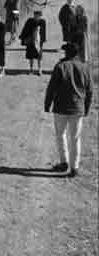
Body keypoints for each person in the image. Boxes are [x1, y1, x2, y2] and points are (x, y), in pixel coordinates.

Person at [44, 42, 93, 177]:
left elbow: (51, 88)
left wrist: (47, 104)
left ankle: (64, 162)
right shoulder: (85, 68)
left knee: (61, 135)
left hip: (61, 107)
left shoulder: (60, 66)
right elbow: (90, 91)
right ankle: (74, 167)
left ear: (67, 53)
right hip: (78, 108)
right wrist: (86, 108)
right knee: (75, 138)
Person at [19, 10, 46, 75]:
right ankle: (31, 69)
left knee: (39, 56)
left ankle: (39, 69)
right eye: (35, 15)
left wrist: (43, 40)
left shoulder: (42, 22)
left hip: (39, 41)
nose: (36, 17)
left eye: (38, 16)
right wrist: (23, 37)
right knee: (31, 56)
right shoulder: (30, 21)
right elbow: (25, 29)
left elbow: (44, 31)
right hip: (30, 41)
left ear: (40, 16)